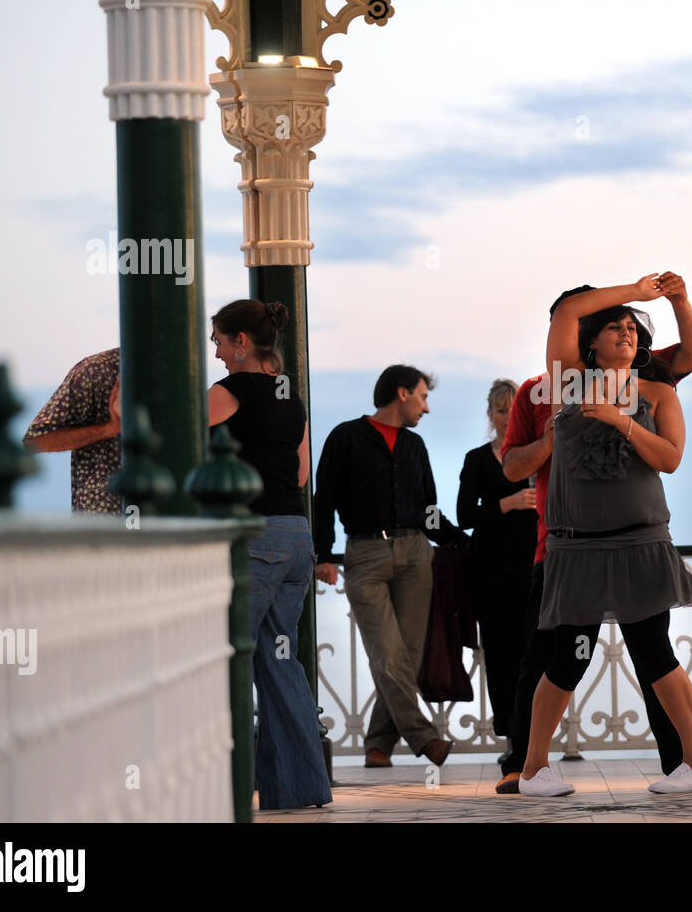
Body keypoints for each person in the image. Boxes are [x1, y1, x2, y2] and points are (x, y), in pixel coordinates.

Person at [497, 274, 692, 794]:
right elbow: (568, 311)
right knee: (567, 656)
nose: (627, 333)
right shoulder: (565, 383)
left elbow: (672, 459)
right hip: (575, 545)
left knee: (655, 651)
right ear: (591, 341)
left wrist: (621, 422)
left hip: (639, 541)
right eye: (614, 327)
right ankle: (533, 769)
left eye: (633, 329)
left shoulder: (657, 390)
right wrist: (633, 292)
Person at [206, 300, 330, 810]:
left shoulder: (228, 391)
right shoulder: (290, 397)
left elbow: (178, 446)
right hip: (296, 535)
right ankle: (299, 790)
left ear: (240, 341)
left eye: (217, 340)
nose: (214, 351)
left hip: (254, 536)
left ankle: (219, 786)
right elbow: (300, 475)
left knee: (222, 657)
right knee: (279, 662)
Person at [313, 365, 466, 768]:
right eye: (423, 397)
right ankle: (425, 738)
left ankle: (379, 743)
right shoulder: (345, 437)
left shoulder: (415, 446)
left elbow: (428, 509)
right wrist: (324, 555)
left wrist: (459, 541)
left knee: (409, 657)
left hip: (417, 554)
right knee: (388, 655)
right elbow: (323, 498)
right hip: (365, 555)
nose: (427, 408)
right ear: (402, 393)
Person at [457, 379, 538, 742]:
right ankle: (509, 734)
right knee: (500, 655)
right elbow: (463, 516)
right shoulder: (476, 460)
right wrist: (508, 503)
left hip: (534, 566)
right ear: (491, 414)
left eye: (512, 409)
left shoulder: (538, 457)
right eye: (501, 410)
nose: (507, 417)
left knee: (533, 654)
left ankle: (533, 736)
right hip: (490, 572)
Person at [23, 348, 122, 514]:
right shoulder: (96, 371)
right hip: (104, 527)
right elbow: (36, 440)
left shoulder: (179, 374)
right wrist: (108, 429)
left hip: (169, 522)